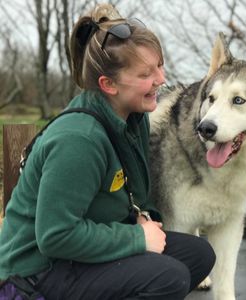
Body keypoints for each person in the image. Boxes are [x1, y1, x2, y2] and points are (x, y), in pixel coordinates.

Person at [0, 3, 215, 299]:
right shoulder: (78, 141)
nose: (161, 79)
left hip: (75, 257)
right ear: (108, 84)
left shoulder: (131, 120)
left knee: (198, 255)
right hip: (36, 273)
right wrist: (136, 238)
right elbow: (55, 237)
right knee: (168, 277)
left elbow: (130, 195)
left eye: (160, 66)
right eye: (145, 74)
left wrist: (143, 219)